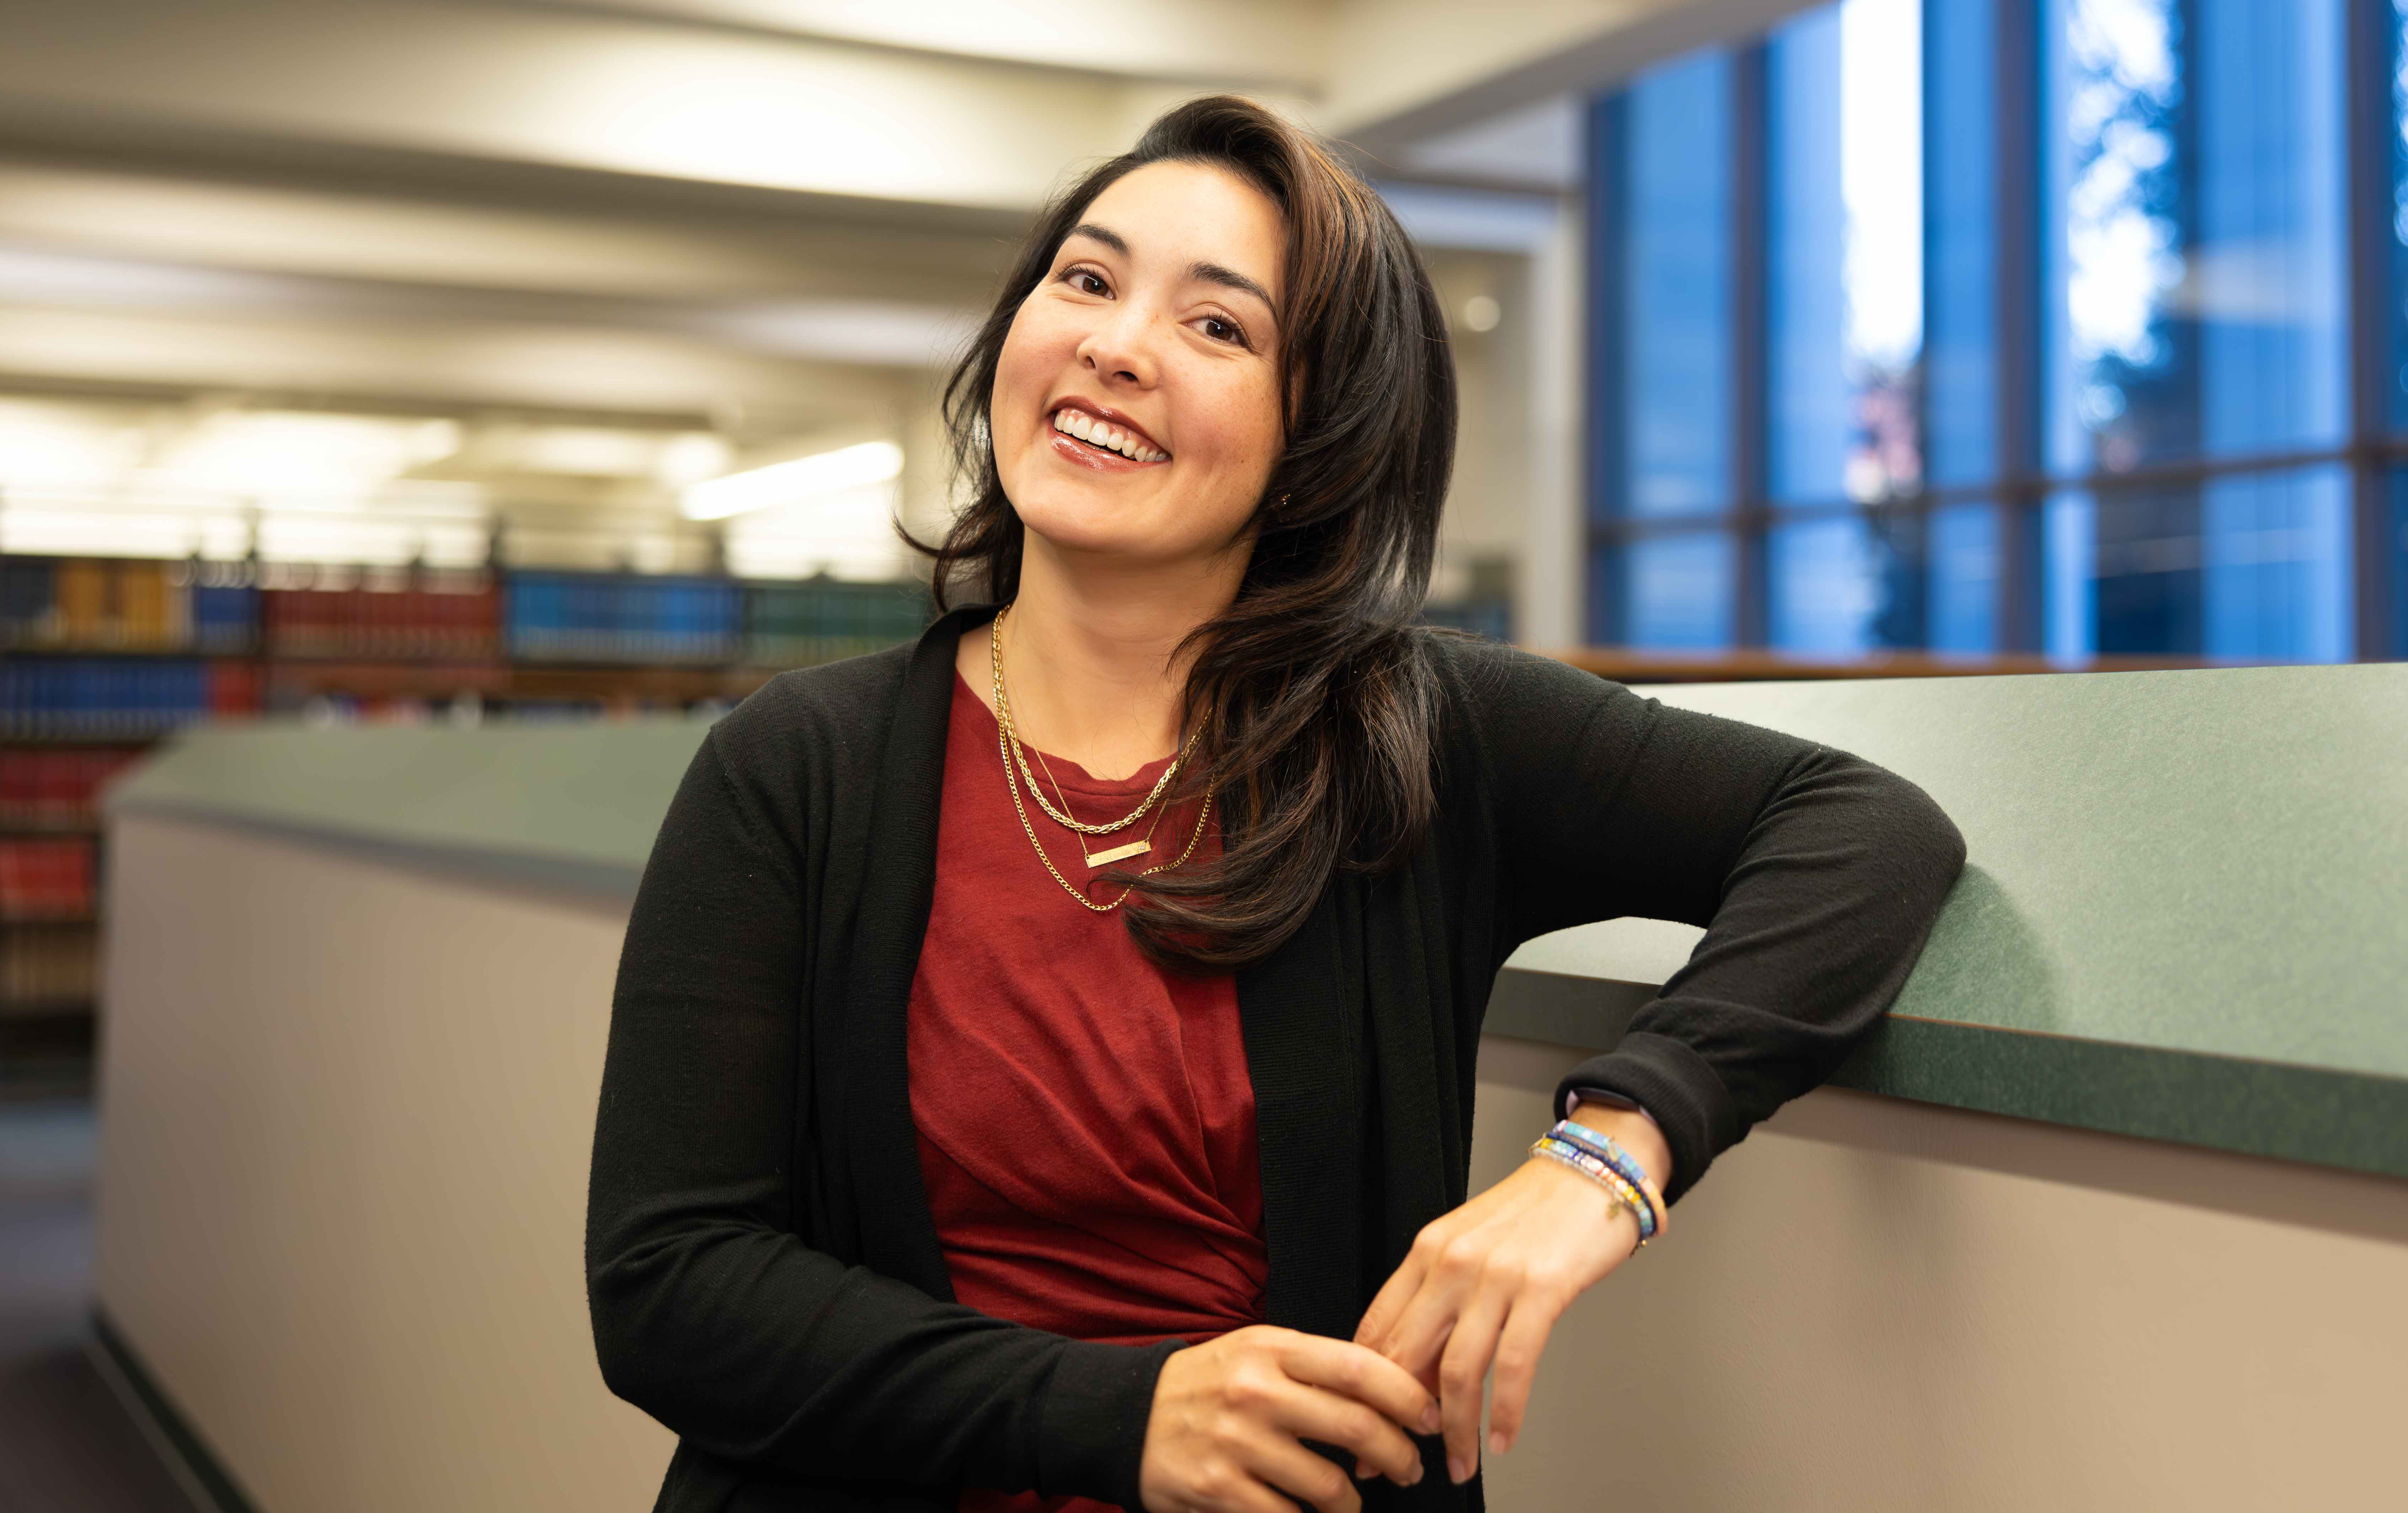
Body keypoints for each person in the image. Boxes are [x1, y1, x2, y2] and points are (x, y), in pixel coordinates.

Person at [586, 96, 1962, 1513]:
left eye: (1217, 326)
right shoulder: (795, 765)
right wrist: (1113, 1415)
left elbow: (1862, 829)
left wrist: (1603, 1155)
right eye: (1086, 278)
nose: (1115, 346)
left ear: (1317, 437)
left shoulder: (1422, 733)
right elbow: (670, 1283)